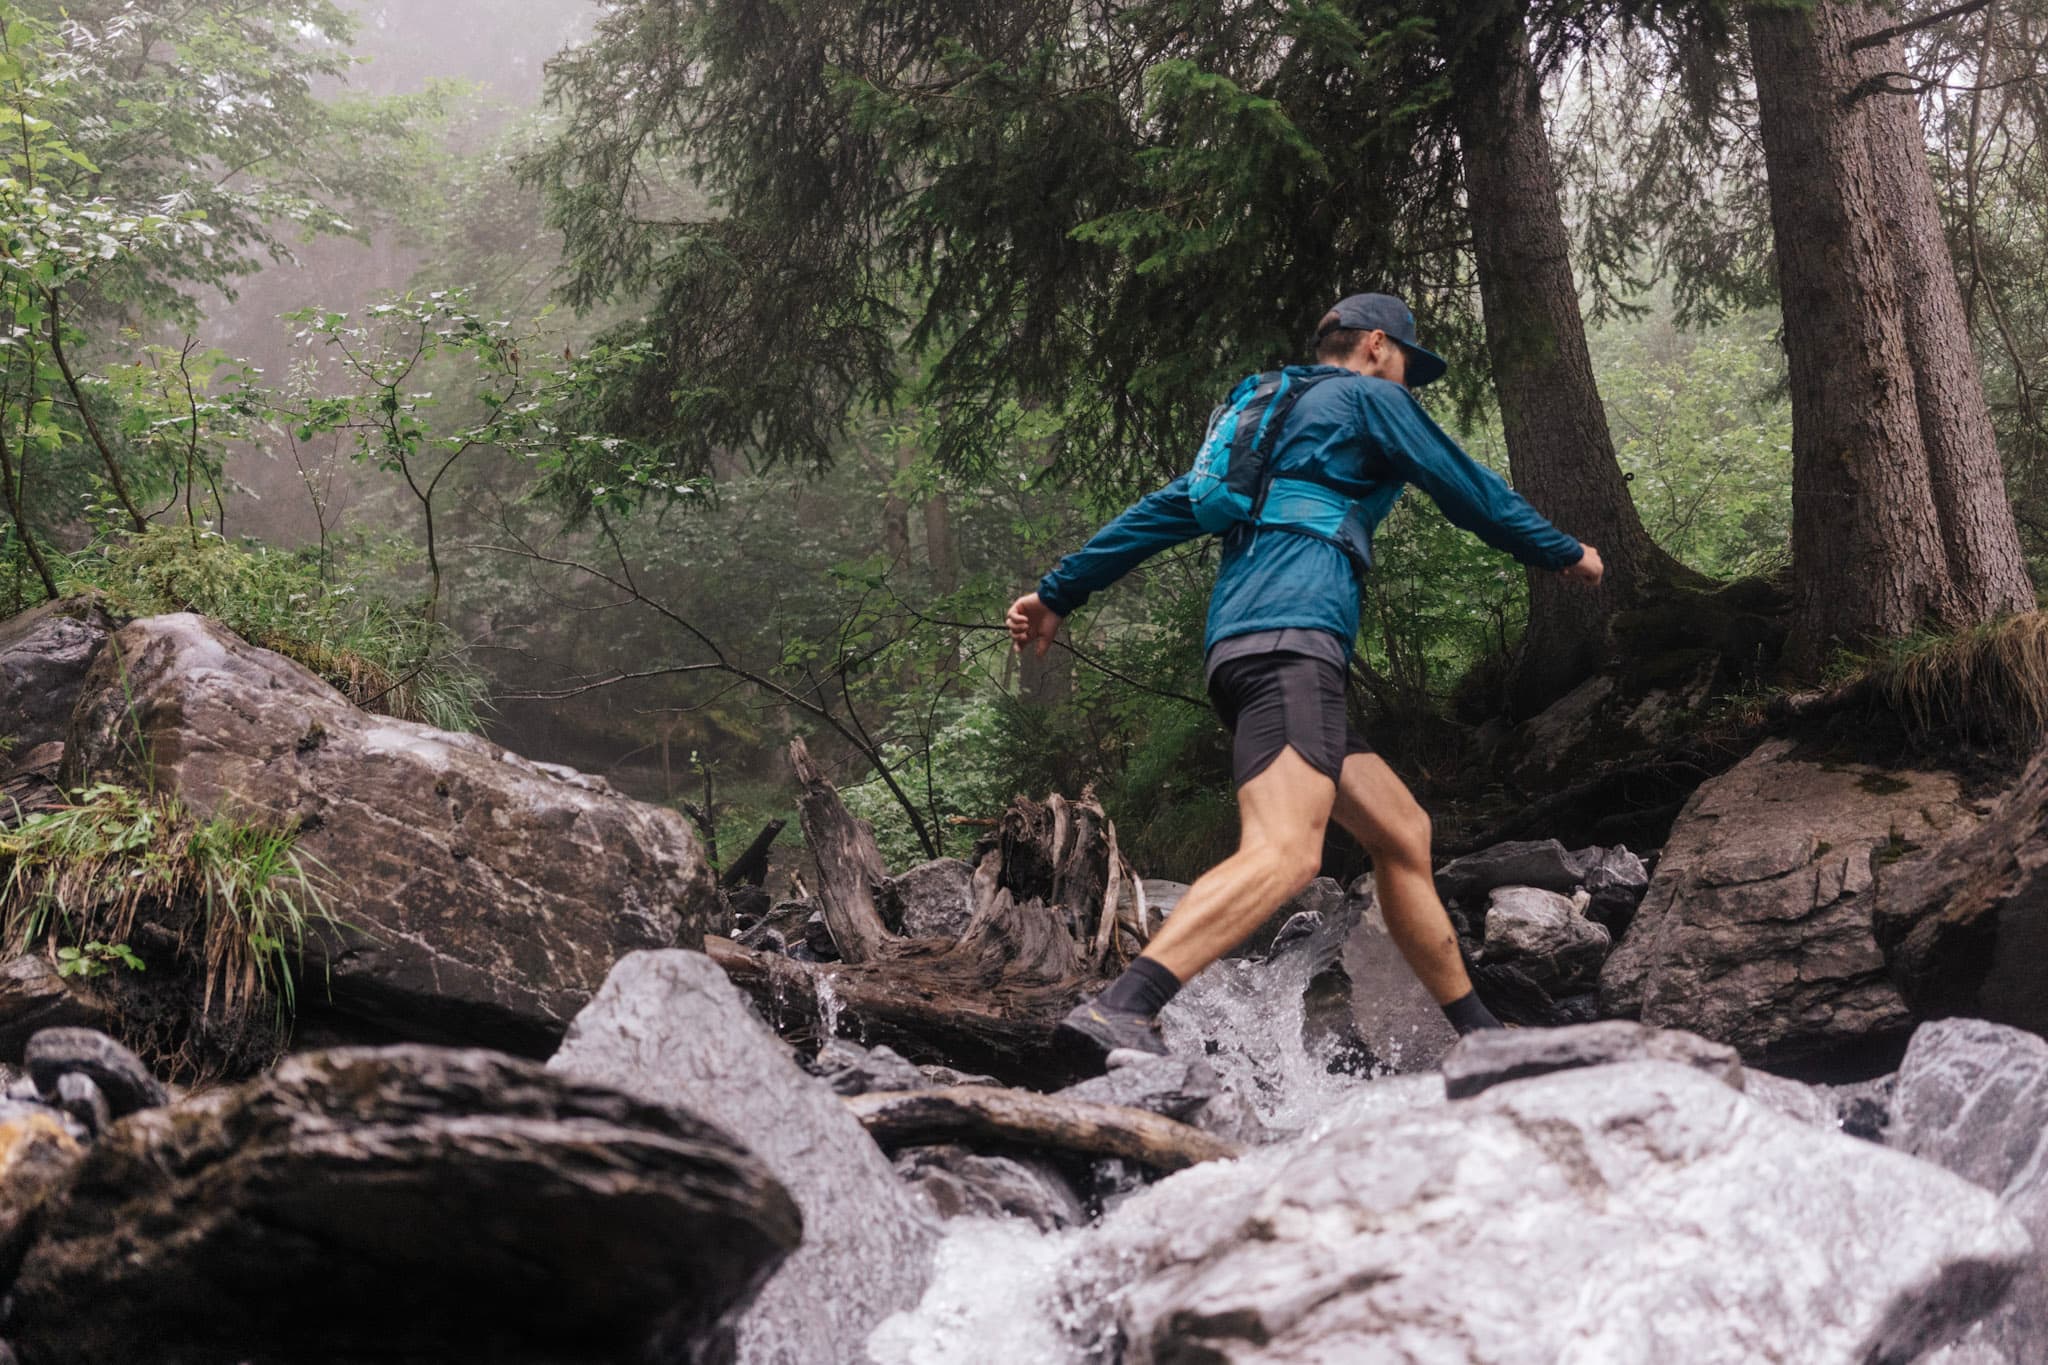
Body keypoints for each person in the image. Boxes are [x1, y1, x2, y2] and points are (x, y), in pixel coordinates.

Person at [1006, 292, 1605, 1072]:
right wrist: (1563, 550)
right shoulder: (1368, 398)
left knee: (1402, 831)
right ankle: (1122, 1007)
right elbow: (1465, 485)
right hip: (1293, 642)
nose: (1406, 386)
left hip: (1245, 648)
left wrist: (1057, 591)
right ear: (1378, 348)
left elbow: (1160, 510)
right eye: (1406, 369)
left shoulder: (1260, 424)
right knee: (1289, 852)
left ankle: (1482, 1034)